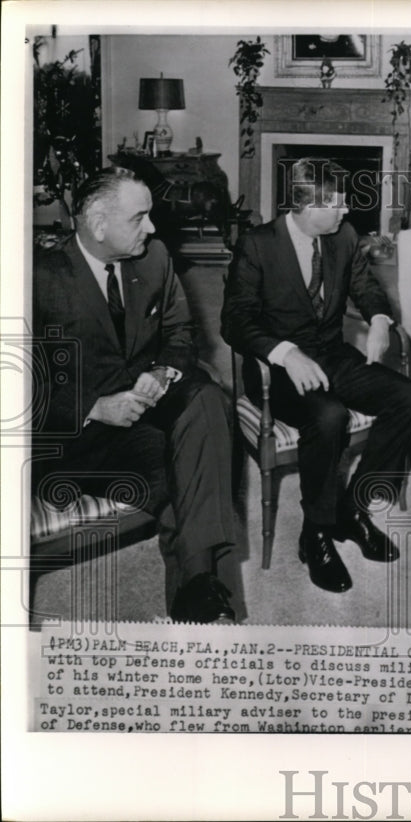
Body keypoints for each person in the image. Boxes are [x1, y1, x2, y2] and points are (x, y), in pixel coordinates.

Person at [32, 167, 237, 623]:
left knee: (207, 401)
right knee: (186, 464)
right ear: (98, 223)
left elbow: (180, 332)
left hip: (148, 405)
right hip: (80, 436)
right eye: (139, 218)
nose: (153, 227)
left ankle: (197, 591)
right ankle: (198, 586)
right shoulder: (37, 276)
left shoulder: (154, 256)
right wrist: (93, 408)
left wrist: (163, 371)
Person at [222, 158, 411, 595]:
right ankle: (315, 530)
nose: (346, 212)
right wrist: (286, 353)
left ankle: (351, 510)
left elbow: (366, 287)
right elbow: (234, 321)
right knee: (329, 416)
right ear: (304, 206)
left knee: (409, 398)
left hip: (332, 354)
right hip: (277, 370)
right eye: (336, 204)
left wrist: (382, 320)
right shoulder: (258, 245)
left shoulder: (343, 238)